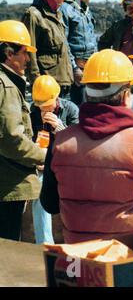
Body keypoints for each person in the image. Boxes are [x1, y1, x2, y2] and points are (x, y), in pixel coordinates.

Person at [40, 49, 133, 251]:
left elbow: (50, 204)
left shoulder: (60, 143)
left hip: (79, 261)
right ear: (125, 96)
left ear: (87, 93)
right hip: (127, 262)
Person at [0, 20, 46, 241]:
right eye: (24, 52)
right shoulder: (7, 86)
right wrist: (43, 155)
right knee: (8, 249)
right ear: (9, 54)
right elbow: (12, 138)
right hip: (9, 185)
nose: (28, 59)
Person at [30, 75, 79, 244]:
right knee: (38, 189)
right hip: (44, 165)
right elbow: (31, 141)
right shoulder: (33, 112)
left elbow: (77, 144)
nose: (44, 109)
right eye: (40, 106)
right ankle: (45, 245)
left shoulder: (71, 109)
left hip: (67, 165)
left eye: (46, 105)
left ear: (56, 98)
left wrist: (59, 127)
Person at [22, 0, 73, 99]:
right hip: (46, 87)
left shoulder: (58, 13)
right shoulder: (33, 15)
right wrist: (37, 82)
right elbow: (29, 51)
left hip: (63, 83)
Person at [60, 0, 97, 105]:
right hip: (75, 74)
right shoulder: (64, 9)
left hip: (88, 71)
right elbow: (63, 43)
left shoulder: (86, 11)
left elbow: (92, 41)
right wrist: (75, 68)